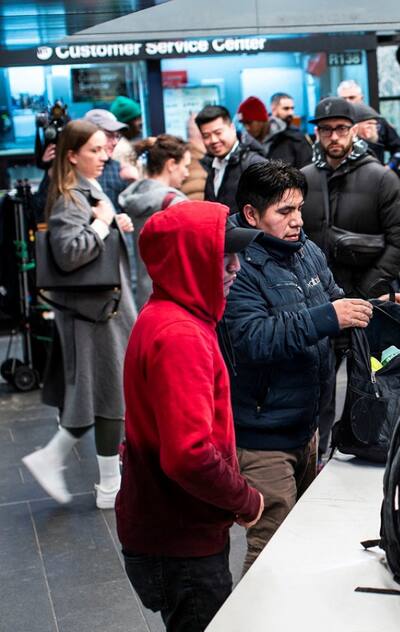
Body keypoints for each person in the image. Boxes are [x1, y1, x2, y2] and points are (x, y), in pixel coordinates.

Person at [116, 200, 265, 632]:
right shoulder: (180, 334)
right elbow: (188, 454)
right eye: (223, 257)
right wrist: (244, 497)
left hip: (169, 530)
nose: (236, 267)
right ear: (189, 261)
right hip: (178, 541)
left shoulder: (171, 315)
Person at [222, 161, 373, 572]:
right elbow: (251, 338)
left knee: (306, 536)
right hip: (263, 436)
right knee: (269, 548)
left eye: (299, 209)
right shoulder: (237, 264)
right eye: (284, 212)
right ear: (252, 215)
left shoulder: (305, 249)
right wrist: (329, 317)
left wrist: (370, 311)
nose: (296, 221)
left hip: (307, 425)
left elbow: (333, 299)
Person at [22, 120, 137, 509]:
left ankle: (94, 476)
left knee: (100, 392)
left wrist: (111, 223)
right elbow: (70, 252)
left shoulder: (84, 190)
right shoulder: (71, 196)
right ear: (72, 155)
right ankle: (107, 484)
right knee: (105, 394)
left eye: (105, 149)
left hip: (99, 311)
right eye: (95, 150)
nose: (105, 156)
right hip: (95, 314)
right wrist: (104, 224)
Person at [299, 96, 400, 298]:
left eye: (341, 128)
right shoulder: (304, 178)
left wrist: (367, 290)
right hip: (319, 299)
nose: (334, 136)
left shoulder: (382, 178)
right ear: (317, 132)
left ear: (353, 130)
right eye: (326, 129)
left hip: (369, 297)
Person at [118, 134, 191, 308]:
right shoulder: (175, 204)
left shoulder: (129, 199)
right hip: (170, 298)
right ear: (171, 165)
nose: (187, 173)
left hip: (136, 296)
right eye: (185, 166)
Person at [196, 104, 267, 214]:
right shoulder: (212, 164)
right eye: (206, 136)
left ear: (232, 128)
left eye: (218, 133)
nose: (213, 140)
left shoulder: (254, 164)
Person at [336, 80, 400, 171]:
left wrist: (390, 167)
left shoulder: (377, 121)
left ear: (361, 98)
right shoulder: (333, 125)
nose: (348, 102)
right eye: (343, 99)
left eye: (352, 97)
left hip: (375, 177)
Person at [82, 109, 137, 210]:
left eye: (117, 136)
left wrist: (134, 184)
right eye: (109, 135)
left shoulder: (118, 169)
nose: (115, 142)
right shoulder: (68, 170)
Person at [265, 92, 313, 169]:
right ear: (274, 109)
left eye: (292, 108)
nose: (291, 112)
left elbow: (307, 167)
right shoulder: (263, 133)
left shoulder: (298, 136)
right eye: (286, 108)